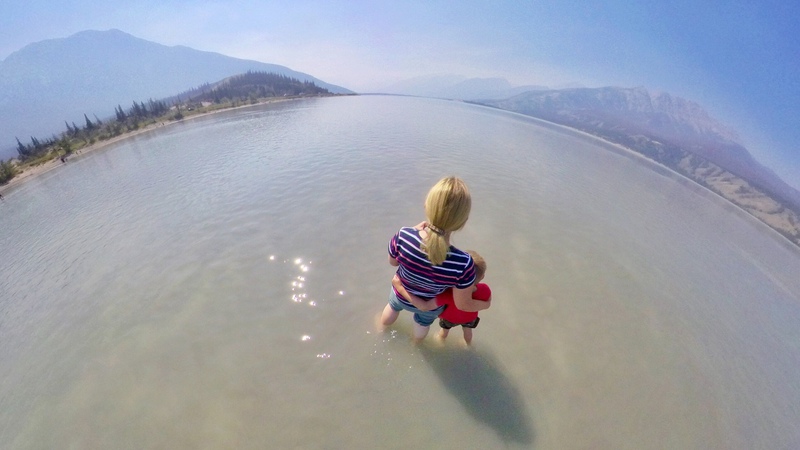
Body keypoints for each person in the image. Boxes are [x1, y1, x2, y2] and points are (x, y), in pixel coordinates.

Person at [381, 176, 491, 342]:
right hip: (429, 306)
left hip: (401, 293)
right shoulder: (463, 263)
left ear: (427, 205)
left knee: (392, 308)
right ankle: (416, 344)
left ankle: (381, 329)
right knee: (422, 325)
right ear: (463, 222)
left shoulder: (403, 235)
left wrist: (411, 232)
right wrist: (486, 304)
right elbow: (462, 304)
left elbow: (393, 262)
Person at [434, 250, 491, 345]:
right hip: (469, 317)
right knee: (468, 332)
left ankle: (440, 341)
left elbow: (437, 301)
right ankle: (468, 345)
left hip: (450, 317)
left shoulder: (449, 290)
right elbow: (488, 298)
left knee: (444, 331)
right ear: (482, 277)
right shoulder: (484, 289)